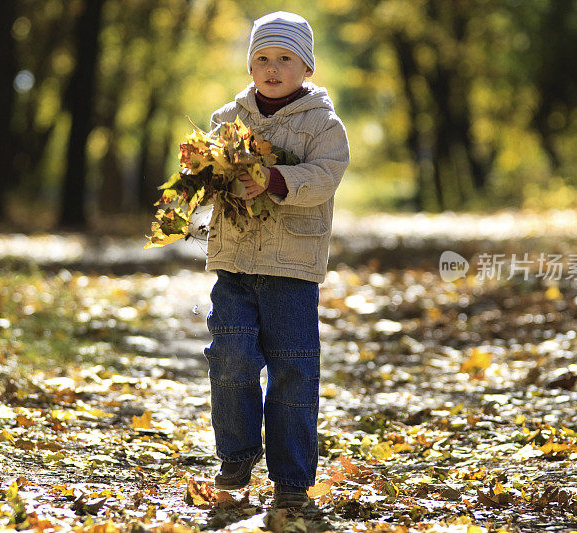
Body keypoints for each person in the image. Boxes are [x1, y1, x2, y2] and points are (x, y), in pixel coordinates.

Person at [203, 11, 350, 508]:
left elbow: (326, 175)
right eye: (262, 57)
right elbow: (210, 170)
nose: (272, 67)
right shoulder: (228, 119)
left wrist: (275, 180)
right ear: (249, 66)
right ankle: (238, 452)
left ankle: (291, 479)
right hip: (236, 264)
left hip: (292, 267)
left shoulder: (323, 124)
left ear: (306, 67)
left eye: (285, 58)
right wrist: (211, 177)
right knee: (230, 358)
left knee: (293, 369)